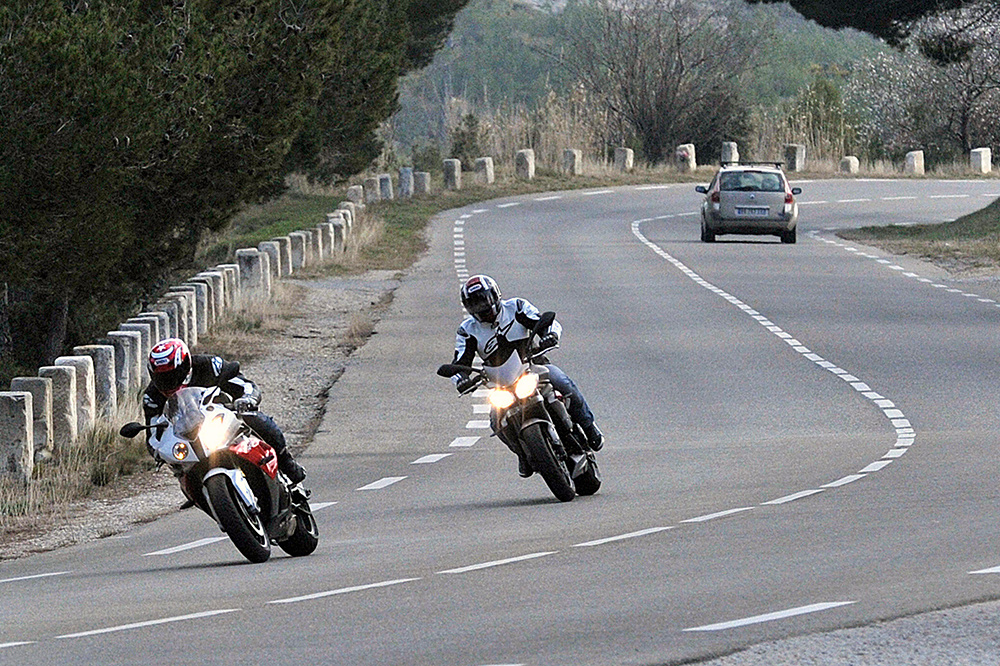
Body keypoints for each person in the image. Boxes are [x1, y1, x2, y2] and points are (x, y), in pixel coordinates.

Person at [449, 275, 603, 477]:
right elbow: (460, 361)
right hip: (502, 384)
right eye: (474, 303)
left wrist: (550, 334)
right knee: (496, 421)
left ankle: (589, 427)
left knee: (563, 382)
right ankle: (523, 454)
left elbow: (545, 322)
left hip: (532, 367)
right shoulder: (467, 330)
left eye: (483, 300)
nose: (481, 307)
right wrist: (460, 378)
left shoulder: (516, 308)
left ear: (495, 295)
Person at [142, 337, 306, 484]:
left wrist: (247, 399)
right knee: (180, 470)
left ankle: (287, 462)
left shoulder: (209, 365)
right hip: (187, 435)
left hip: (221, 415)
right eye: (161, 378)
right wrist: (159, 451)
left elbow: (245, 385)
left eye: (172, 375)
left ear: (185, 366)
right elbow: (152, 435)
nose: (167, 382)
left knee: (253, 418)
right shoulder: (152, 397)